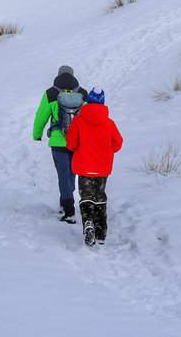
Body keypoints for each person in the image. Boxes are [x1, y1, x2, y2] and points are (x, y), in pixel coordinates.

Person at [66, 86, 123, 247]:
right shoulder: (109, 123)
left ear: (88, 100)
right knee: (100, 197)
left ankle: (88, 223)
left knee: (86, 197)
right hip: (102, 168)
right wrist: (106, 150)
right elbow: (118, 144)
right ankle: (101, 232)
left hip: (84, 167)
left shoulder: (78, 121)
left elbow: (71, 144)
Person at [32, 65, 88, 224]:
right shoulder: (82, 93)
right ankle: (66, 201)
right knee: (71, 174)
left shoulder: (51, 93)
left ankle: (68, 210)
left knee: (63, 174)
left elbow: (41, 116)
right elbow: (88, 117)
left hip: (58, 141)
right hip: (77, 142)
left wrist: (37, 134)